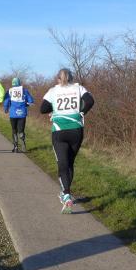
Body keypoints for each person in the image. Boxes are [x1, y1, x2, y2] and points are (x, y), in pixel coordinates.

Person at [40, 68, 95, 213]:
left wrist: (54, 109)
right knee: (70, 162)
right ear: (71, 78)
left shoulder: (53, 91)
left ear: (58, 79)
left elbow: (43, 108)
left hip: (59, 131)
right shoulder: (78, 88)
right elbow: (90, 101)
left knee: (62, 164)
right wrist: (81, 112)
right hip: (76, 130)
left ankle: (66, 195)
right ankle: (66, 193)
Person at [2, 77, 34, 153]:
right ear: (19, 83)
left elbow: (6, 101)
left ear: (12, 83)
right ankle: (23, 146)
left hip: (13, 114)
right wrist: (27, 104)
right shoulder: (24, 90)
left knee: (14, 130)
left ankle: (15, 147)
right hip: (22, 113)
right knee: (21, 130)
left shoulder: (10, 91)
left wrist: (6, 108)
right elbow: (31, 101)